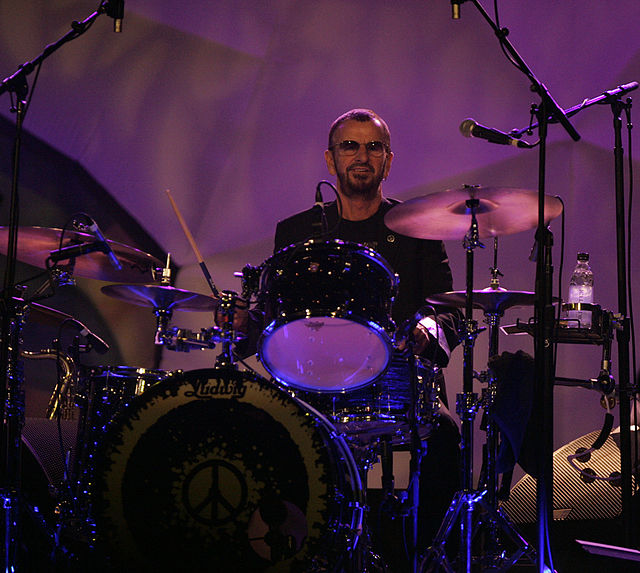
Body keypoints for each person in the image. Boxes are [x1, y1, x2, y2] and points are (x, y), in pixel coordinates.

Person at [235, 108, 462, 571]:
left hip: (397, 392)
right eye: (350, 146)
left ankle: (417, 559)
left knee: (444, 438)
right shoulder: (297, 231)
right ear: (330, 159)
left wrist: (426, 333)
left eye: (373, 147)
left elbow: (450, 311)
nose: (362, 156)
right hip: (312, 390)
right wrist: (241, 323)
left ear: (389, 161)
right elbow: (273, 314)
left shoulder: (419, 229)